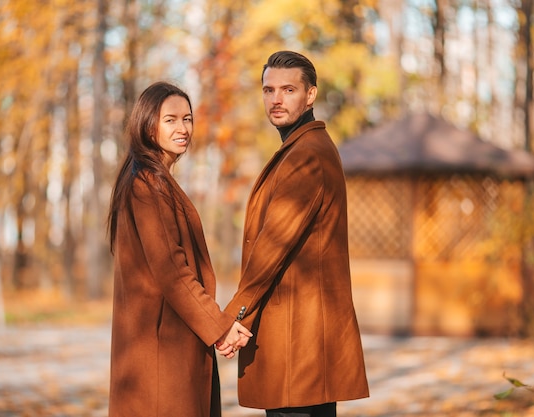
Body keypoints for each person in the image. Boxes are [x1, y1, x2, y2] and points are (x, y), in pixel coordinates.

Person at [217, 51, 370, 416]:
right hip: (304, 340)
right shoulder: (303, 148)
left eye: (288, 89)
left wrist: (235, 315)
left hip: (298, 341)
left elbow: (272, 246)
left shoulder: (305, 155)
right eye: (269, 90)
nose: (276, 99)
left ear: (311, 95)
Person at [106, 81, 252, 417]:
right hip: (160, 349)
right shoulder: (146, 185)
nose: (183, 128)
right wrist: (220, 326)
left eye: (187, 119)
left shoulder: (156, 181)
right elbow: (173, 272)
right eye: (170, 120)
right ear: (148, 124)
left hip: (168, 343)